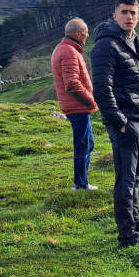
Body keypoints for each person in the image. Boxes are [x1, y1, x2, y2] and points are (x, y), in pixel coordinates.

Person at [90, 0, 139, 247]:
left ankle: (136, 226)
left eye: (133, 13)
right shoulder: (106, 45)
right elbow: (101, 89)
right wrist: (119, 121)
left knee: (136, 177)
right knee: (126, 179)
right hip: (126, 122)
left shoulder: (138, 43)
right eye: (124, 12)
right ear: (115, 15)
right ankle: (127, 236)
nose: (129, 17)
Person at [51, 17, 98, 191]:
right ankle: (80, 184)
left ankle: (82, 181)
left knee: (87, 143)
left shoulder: (64, 48)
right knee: (83, 145)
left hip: (75, 106)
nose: (87, 36)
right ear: (78, 34)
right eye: (86, 32)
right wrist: (91, 99)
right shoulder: (69, 51)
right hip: (78, 107)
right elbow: (71, 83)